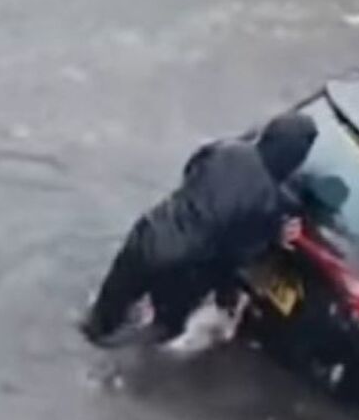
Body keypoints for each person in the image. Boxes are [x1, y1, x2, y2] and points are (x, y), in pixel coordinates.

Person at [80, 112, 318, 347]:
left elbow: (191, 169)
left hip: (149, 234)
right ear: (295, 158)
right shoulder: (270, 202)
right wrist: (273, 235)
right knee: (160, 332)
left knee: (99, 319)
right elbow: (237, 255)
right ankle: (127, 362)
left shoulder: (227, 149)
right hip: (186, 269)